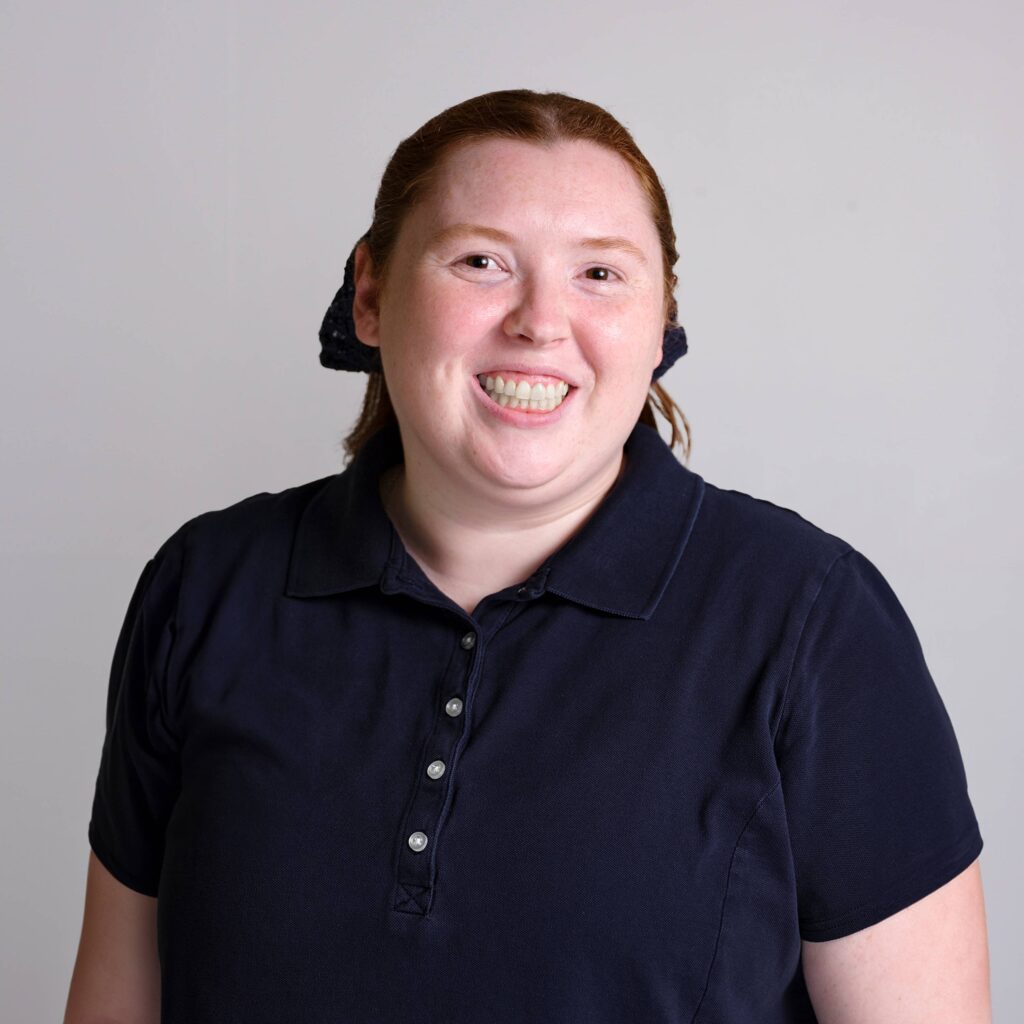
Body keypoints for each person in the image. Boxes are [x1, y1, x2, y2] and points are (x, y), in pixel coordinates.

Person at [65, 89, 991, 1023]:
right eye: (481, 261)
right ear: (372, 292)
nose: (540, 322)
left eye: (599, 274)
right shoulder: (207, 587)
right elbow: (114, 1003)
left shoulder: (813, 622)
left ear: (661, 320)